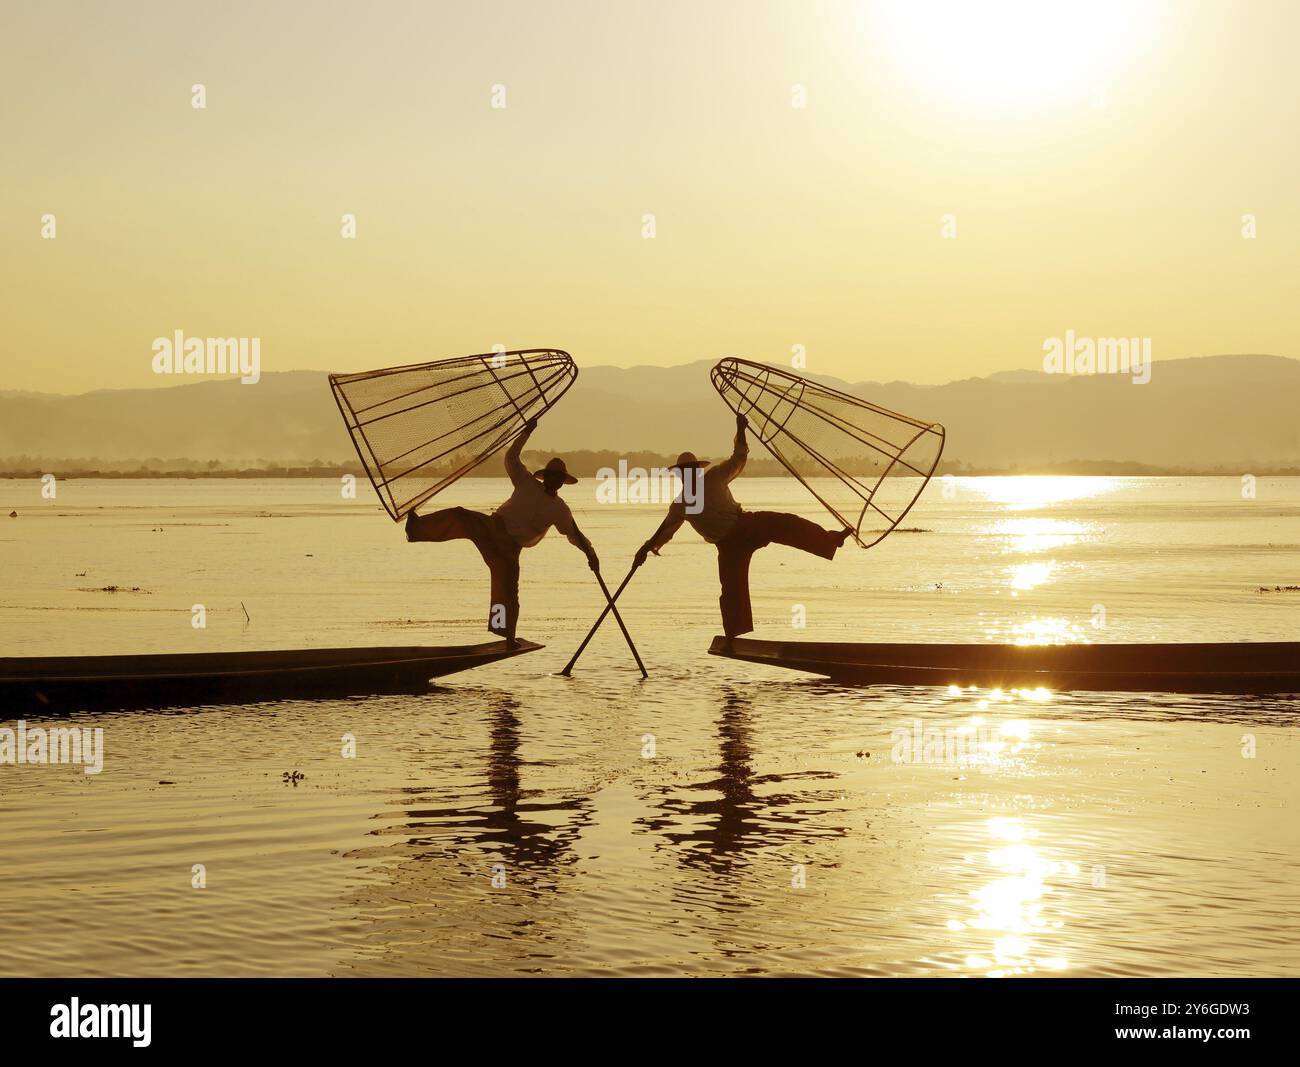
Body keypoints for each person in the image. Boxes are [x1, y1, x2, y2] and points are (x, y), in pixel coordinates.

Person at [634, 413, 851, 641]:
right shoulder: (681, 504)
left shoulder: (714, 477)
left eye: (689, 471)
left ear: (695, 471)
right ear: (680, 475)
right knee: (731, 590)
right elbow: (665, 531)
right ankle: (735, 637)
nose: (687, 476)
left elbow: (738, 458)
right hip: (729, 546)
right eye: (683, 473)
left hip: (746, 525)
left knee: (787, 524)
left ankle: (830, 540)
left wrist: (741, 429)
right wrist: (647, 548)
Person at [406, 419, 598, 644]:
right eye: (552, 476)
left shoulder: (560, 509)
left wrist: (591, 555)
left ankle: (504, 635)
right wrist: (526, 432)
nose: (554, 481)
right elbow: (511, 458)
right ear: (545, 476)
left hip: (509, 549)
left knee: (507, 592)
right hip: (492, 528)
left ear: (562, 482)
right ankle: (416, 529)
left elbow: (574, 535)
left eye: (558, 478)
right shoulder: (526, 482)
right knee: (460, 515)